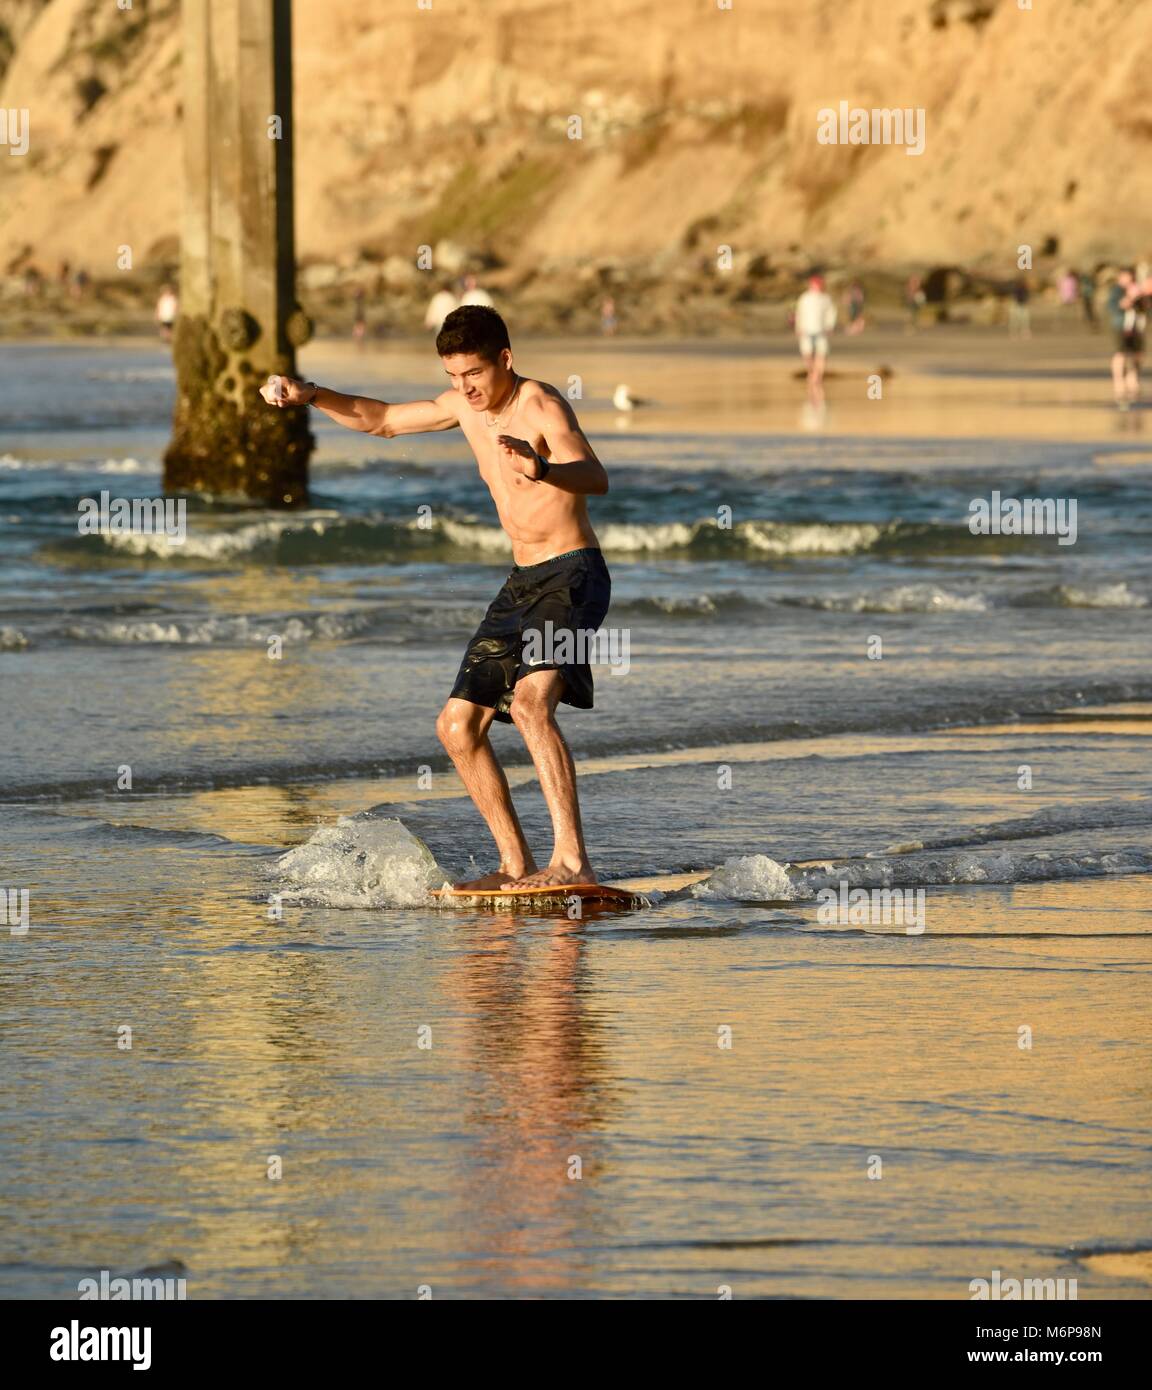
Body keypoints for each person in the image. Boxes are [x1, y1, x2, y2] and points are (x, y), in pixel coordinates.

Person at [261, 306, 612, 891]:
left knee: (529, 704)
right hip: (520, 582)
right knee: (456, 727)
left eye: (473, 373)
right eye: (453, 376)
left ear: (505, 358)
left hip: (573, 576)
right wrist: (311, 395)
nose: (463, 388)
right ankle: (516, 865)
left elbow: (594, 476)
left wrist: (542, 465)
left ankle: (572, 862)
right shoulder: (461, 406)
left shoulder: (541, 406)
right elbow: (383, 420)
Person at [1107, 268, 1146, 409]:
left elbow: (1145, 307)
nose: (1129, 279)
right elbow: (1116, 307)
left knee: (1138, 354)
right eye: (1127, 277)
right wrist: (1130, 296)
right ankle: (1118, 381)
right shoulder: (1116, 291)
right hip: (1120, 326)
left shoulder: (1137, 289)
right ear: (1120, 277)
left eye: (1131, 277)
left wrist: (1143, 294)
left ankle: (1132, 377)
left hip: (1137, 326)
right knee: (1120, 354)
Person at [794, 273, 837, 394]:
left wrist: (830, 326)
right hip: (806, 330)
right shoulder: (804, 298)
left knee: (821, 353)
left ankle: (818, 375)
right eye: (814, 285)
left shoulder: (826, 299)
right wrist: (798, 327)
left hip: (821, 330)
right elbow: (799, 313)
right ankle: (812, 372)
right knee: (807, 353)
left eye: (818, 285)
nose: (816, 287)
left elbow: (831, 313)